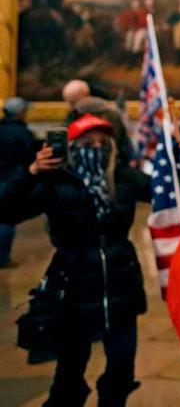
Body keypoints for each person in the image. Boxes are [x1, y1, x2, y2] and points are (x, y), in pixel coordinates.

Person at [0, 114, 152, 406]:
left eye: (102, 142)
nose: (95, 148)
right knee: (69, 372)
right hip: (73, 287)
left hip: (121, 284)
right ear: (71, 146)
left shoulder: (122, 177)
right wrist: (30, 171)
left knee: (121, 367)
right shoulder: (54, 182)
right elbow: (6, 210)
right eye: (86, 142)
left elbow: (169, 193)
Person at [0, 97, 37, 267]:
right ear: (20, 113)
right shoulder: (23, 133)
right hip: (11, 179)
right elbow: (29, 158)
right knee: (6, 219)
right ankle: (2, 258)